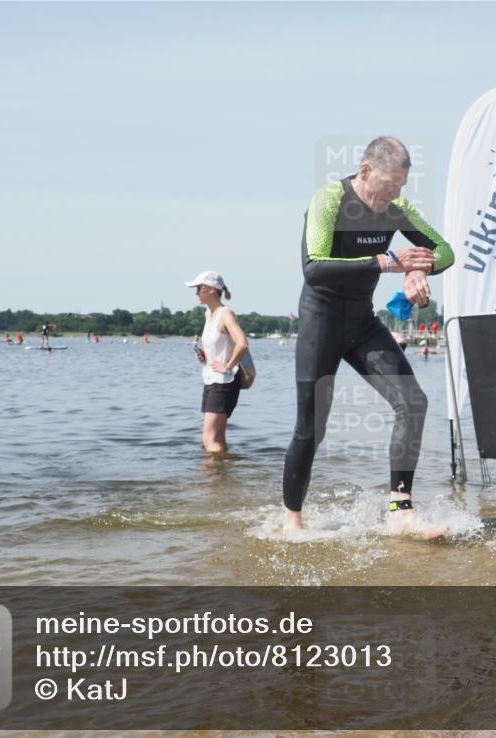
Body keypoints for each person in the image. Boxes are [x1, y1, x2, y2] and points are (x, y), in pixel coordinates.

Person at [282, 136, 455, 538]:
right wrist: (389, 261)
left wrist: (420, 270)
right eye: (390, 183)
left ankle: (400, 509)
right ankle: (292, 520)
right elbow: (315, 268)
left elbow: (444, 250)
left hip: (361, 324)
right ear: (365, 171)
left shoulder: (396, 209)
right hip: (320, 322)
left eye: (402, 186)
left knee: (413, 402)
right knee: (312, 428)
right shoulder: (330, 199)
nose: (395, 193)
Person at [185, 271, 249, 455]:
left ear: (212, 290)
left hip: (224, 382)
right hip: (212, 380)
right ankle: (223, 479)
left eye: (198, 288)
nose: (196, 292)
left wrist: (227, 366)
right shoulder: (209, 314)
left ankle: (213, 480)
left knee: (209, 439)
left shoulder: (225, 313)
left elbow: (242, 343)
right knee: (215, 439)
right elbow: (220, 345)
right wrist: (206, 355)